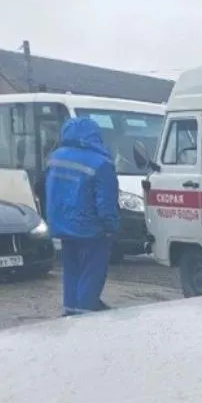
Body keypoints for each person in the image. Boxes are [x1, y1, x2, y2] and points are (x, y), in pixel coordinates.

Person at [44, 117, 120, 316]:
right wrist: (110, 226)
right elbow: (105, 201)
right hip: (90, 228)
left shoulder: (56, 157)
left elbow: (46, 190)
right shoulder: (101, 163)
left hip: (62, 225)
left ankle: (70, 309)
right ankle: (85, 313)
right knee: (91, 271)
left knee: (71, 270)